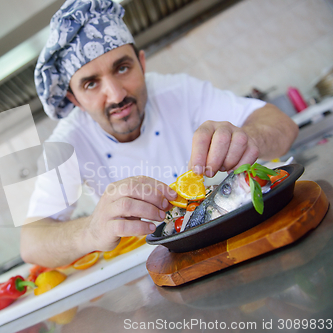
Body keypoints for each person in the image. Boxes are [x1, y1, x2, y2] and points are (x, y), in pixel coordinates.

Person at [20, 0, 298, 268]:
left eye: (122, 67)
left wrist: (247, 139)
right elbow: (31, 243)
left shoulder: (178, 92)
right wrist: (91, 231)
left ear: (142, 63)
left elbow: (283, 126)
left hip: (233, 236)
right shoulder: (66, 142)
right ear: (76, 100)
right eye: (91, 83)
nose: (116, 94)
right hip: (149, 270)